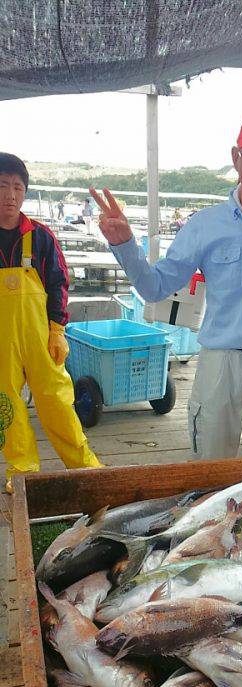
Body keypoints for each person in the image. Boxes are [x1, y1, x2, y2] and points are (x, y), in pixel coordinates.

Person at [90, 111, 242, 460]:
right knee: (210, 471)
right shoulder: (204, 224)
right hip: (219, 366)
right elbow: (155, 287)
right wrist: (126, 244)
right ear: (236, 158)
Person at [0, 153, 102, 493]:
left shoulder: (41, 237)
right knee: (7, 404)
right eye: (2, 186)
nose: (9, 195)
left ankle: (85, 467)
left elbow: (59, 283)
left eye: (17, 187)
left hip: (41, 337)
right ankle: (22, 471)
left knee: (57, 402)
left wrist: (57, 328)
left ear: (24, 194)